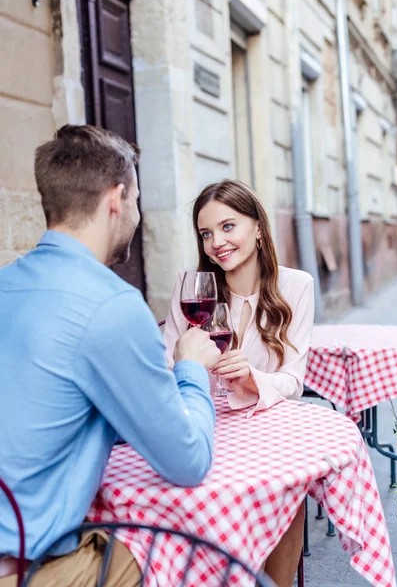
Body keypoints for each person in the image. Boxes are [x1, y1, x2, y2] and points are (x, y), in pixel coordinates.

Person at [0, 125, 220, 587]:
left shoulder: (6, 284)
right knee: (183, 546)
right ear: (116, 198)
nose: (139, 216)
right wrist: (192, 370)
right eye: (137, 200)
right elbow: (188, 460)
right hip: (29, 569)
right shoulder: (112, 305)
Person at [163, 179, 315, 587]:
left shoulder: (296, 286)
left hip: (266, 428)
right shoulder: (192, 289)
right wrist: (188, 365)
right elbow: (166, 367)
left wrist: (251, 378)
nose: (217, 242)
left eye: (228, 227)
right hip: (206, 422)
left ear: (258, 229)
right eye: (206, 233)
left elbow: (292, 380)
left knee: (287, 490)